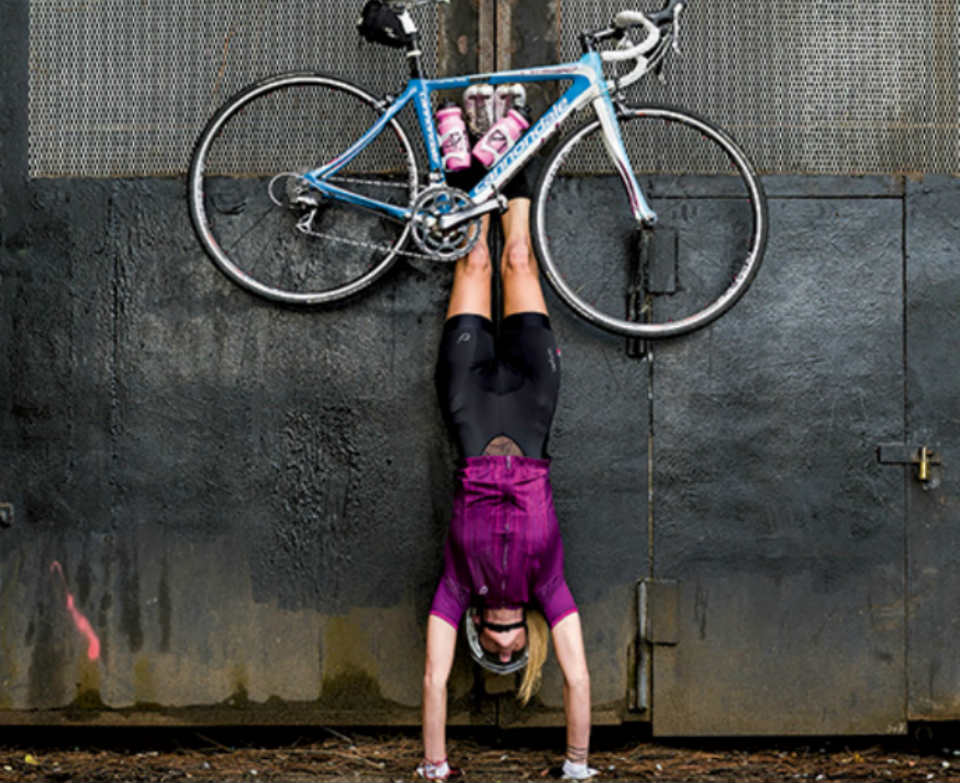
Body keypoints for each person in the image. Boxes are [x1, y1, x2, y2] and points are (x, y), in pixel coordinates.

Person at [417, 138, 596, 781]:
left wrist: (436, 769)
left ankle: (466, 147)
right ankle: (520, 137)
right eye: (511, 652)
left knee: (474, 260)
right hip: (531, 407)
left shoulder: (455, 589)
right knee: (517, 255)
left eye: (491, 650)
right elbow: (577, 678)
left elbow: (435, 680)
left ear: (473, 634)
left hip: (469, 410)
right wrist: (576, 767)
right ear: (527, 640)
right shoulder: (548, 588)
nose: (502, 644)